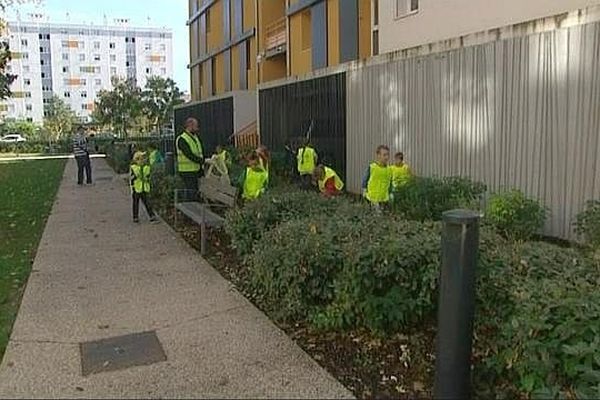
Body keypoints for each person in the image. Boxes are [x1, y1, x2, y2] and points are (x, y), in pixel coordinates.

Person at [176, 117, 203, 199]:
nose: (197, 128)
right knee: (191, 194)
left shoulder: (195, 137)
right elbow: (189, 155)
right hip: (187, 172)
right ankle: (192, 210)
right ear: (190, 126)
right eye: (195, 126)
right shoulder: (182, 139)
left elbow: (198, 152)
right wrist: (203, 161)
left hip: (196, 171)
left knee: (195, 193)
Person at [130, 151, 158, 224]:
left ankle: (152, 216)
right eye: (141, 159)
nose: (143, 160)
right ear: (137, 160)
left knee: (147, 202)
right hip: (136, 188)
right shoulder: (134, 168)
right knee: (136, 203)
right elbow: (132, 178)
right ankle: (135, 217)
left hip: (144, 187)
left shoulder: (146, 167)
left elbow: (148, 176)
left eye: (144, 159)